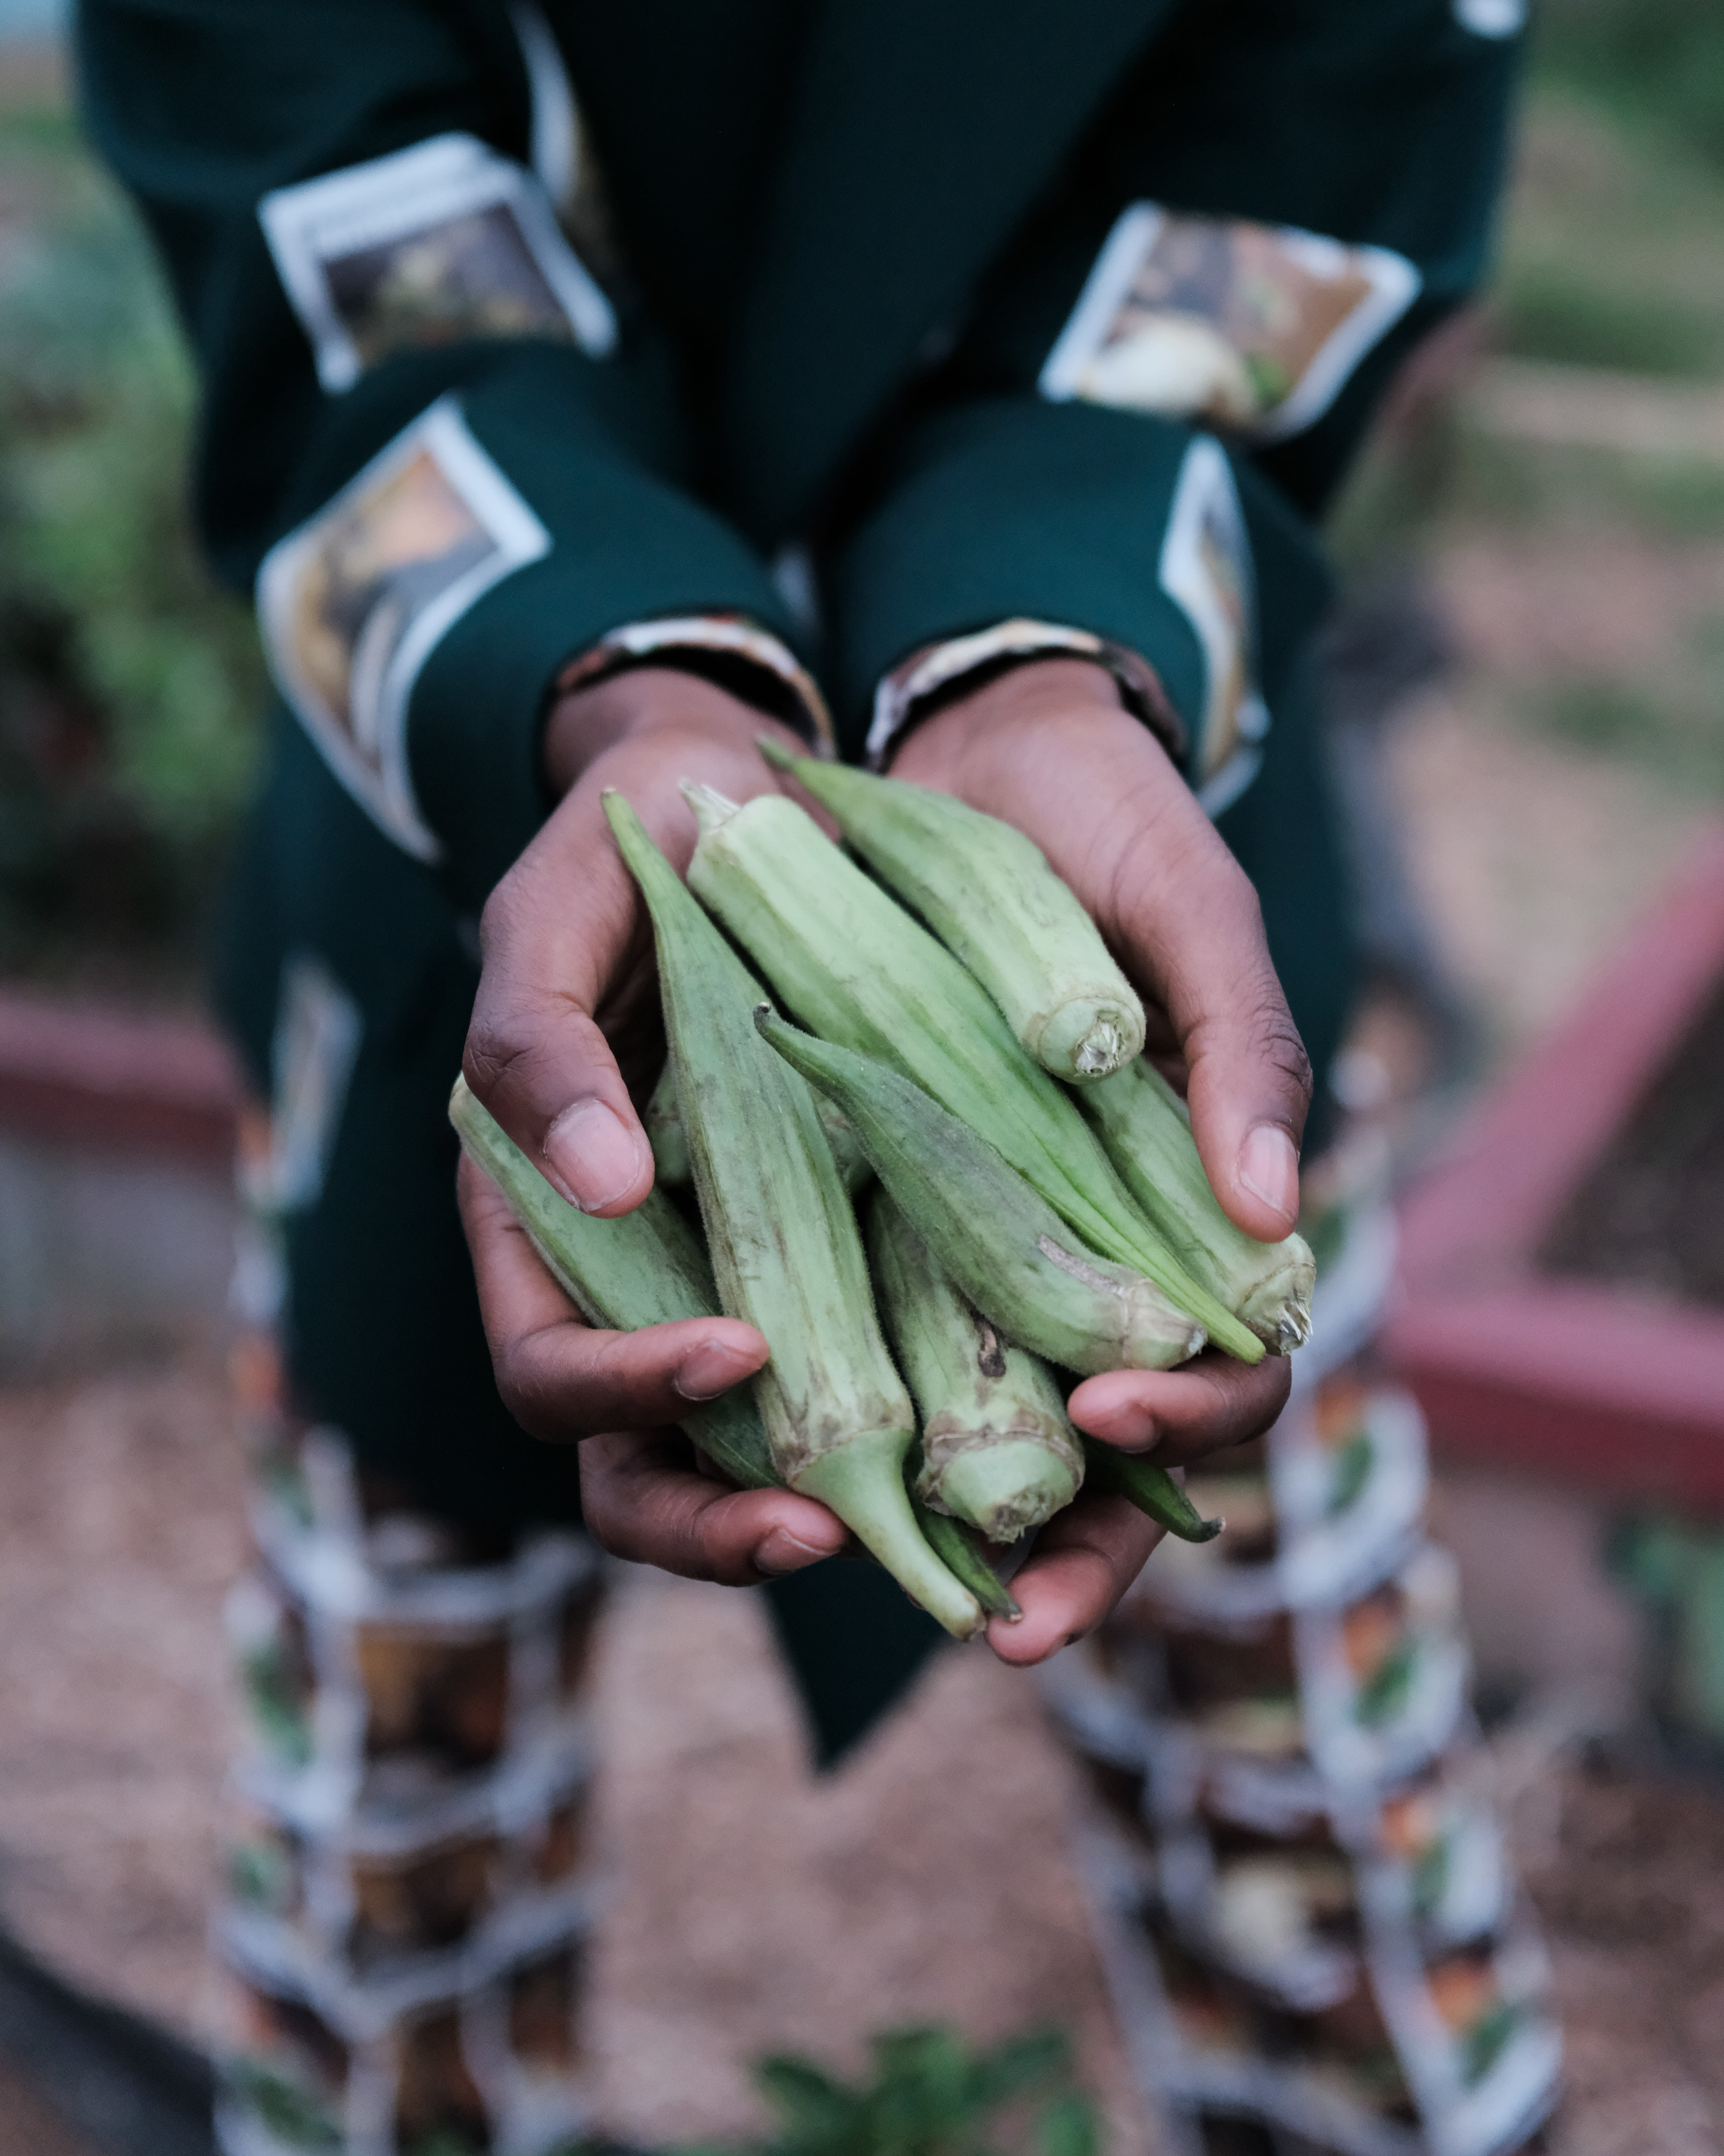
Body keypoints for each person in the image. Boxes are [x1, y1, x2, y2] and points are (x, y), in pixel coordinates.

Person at [77, 4, 1524, 2149]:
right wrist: (609, 662)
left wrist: (1041, 636)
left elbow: (1300, 147)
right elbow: (327, 161)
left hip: (1140, 840)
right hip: (483, 867)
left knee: (1320, 1817)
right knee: (398, 1862)